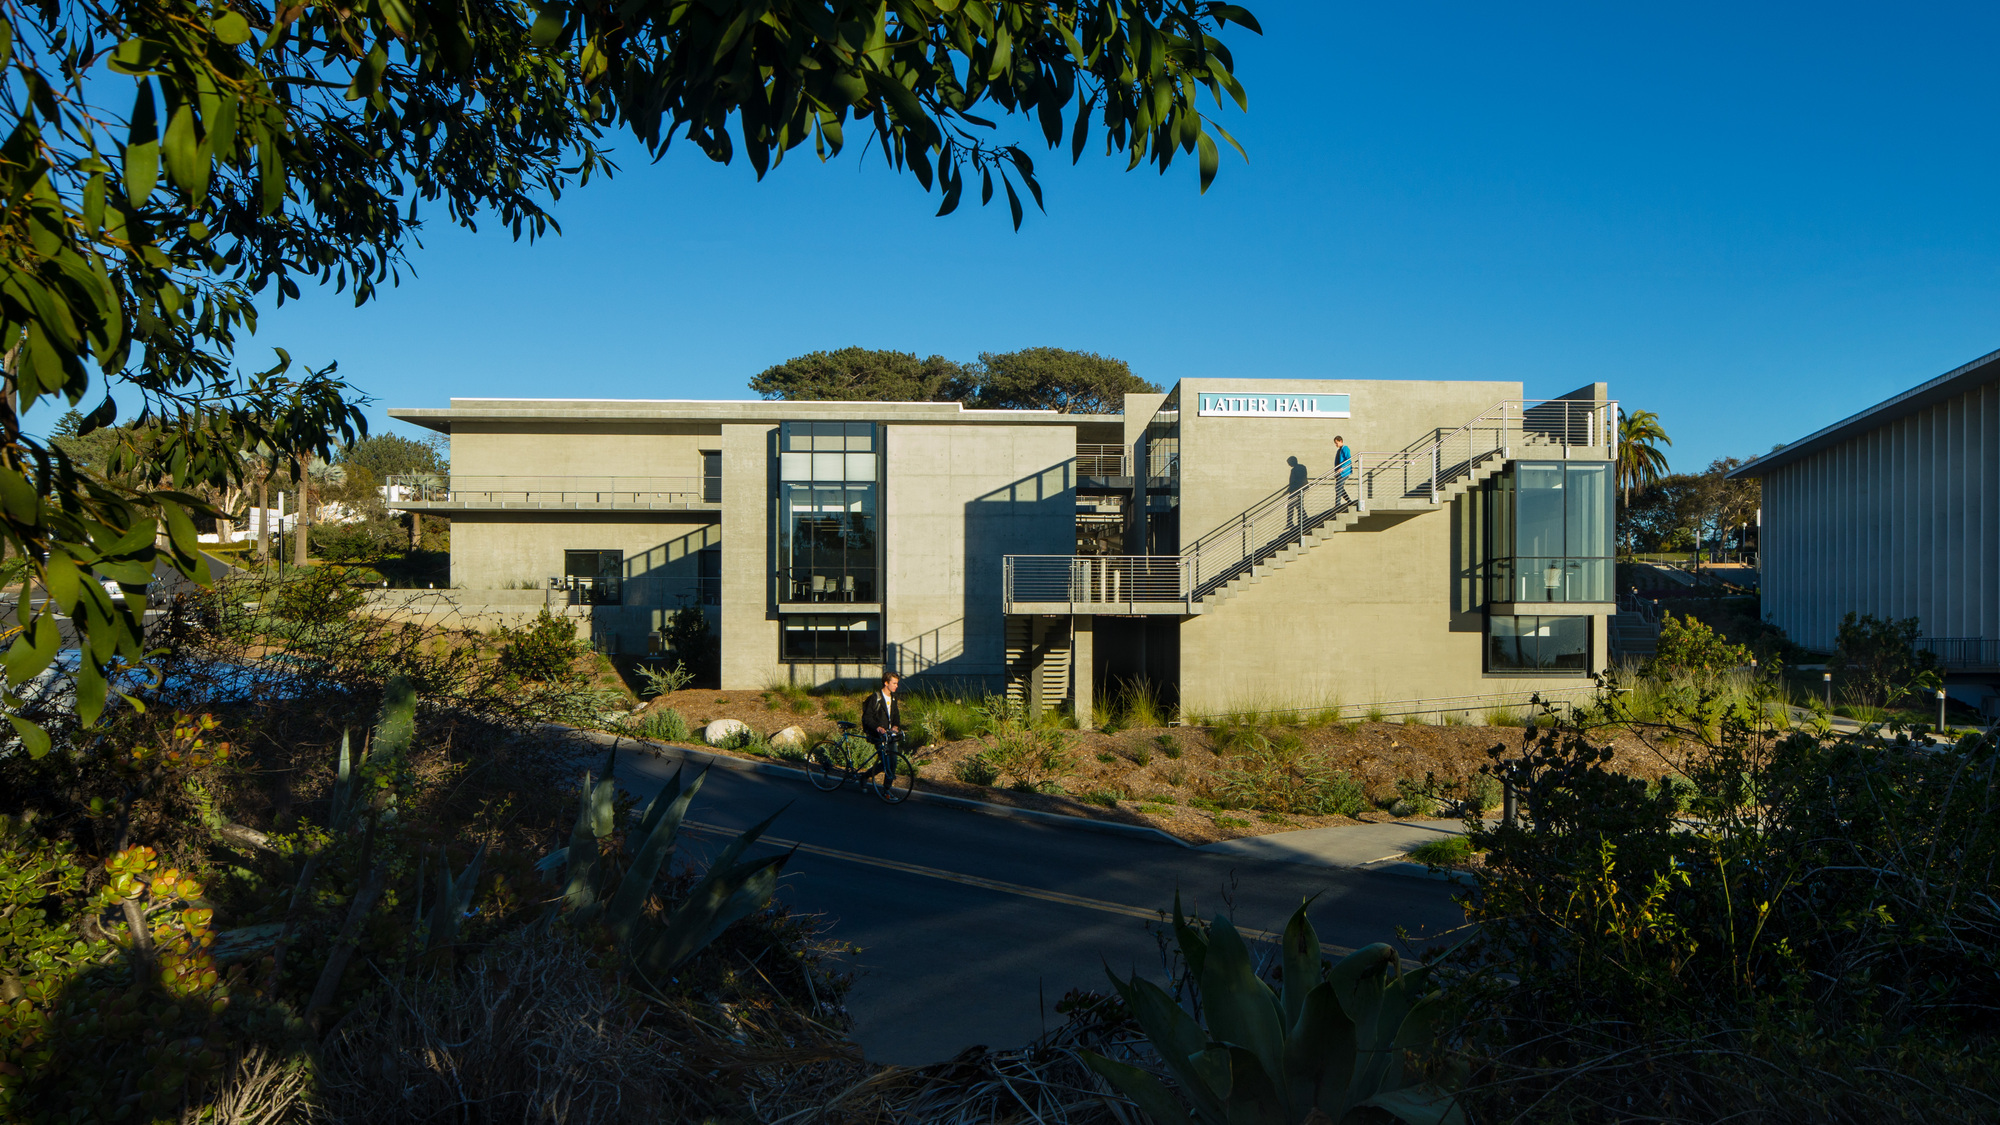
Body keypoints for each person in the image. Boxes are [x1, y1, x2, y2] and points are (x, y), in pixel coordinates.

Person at [861, 672, 904, 789]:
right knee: (885, 761)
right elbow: (867, 717)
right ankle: (865, 776)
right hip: (878, 735)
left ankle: (887, 789)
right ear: (886, 683)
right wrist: (877, 727)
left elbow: (896, 715)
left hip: (890, 734)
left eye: (897, 683)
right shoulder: (875, 698)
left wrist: (895, 726)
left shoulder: (894, 698)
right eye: (894, 683)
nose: (896, 686)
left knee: (893, 761)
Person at [1332, 435, 1353, 507]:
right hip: (1339, 472)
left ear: (1341, 441)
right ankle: (1350, 502)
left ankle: (1337, 505)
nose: (1336, 445)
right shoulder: (1339, 450)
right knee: (1340, 487)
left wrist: (1342, 468)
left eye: (1336, 443)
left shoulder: (1345, 448)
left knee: (1338, 487)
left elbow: (1348, 459)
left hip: (1344, 472)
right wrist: (1336, 472)